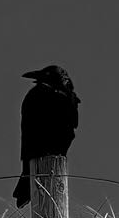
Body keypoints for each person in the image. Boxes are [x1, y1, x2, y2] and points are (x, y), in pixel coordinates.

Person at [13, 65, 80, 205]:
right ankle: (29, 183)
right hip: (35, 151)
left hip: (56, 157)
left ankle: (31, 184)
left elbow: (69, 132)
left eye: (47, 74)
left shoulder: (70, 100)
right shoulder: (35, 96)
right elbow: (28, 133)